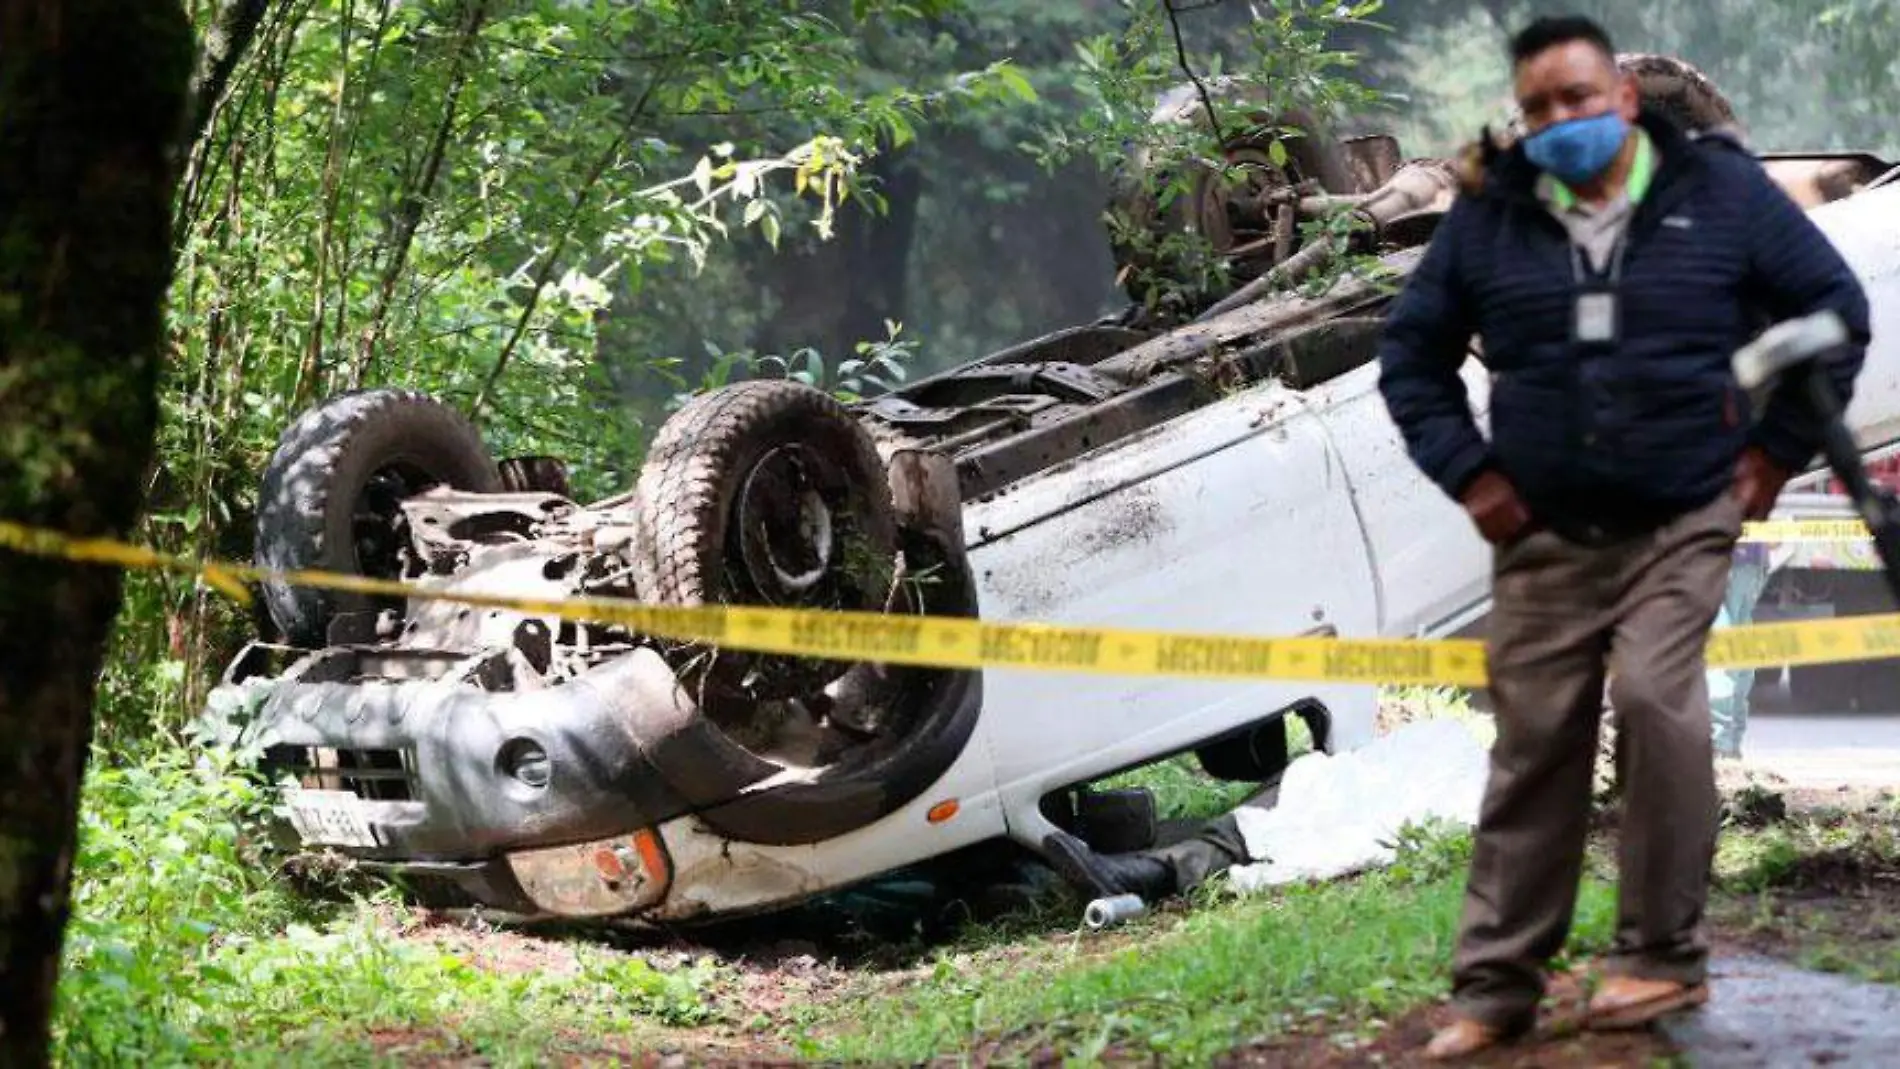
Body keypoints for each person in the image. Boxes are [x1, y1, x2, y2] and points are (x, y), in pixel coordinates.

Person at [1375, 15, 1869, 1061]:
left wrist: (1773, 455)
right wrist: (1469, 476)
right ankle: (1496, 986)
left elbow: (1833, 308)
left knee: (1655, 698)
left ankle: (1657, 954)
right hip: (1543, 535)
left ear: (1625, 100)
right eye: (1538, 108)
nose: (1560, 122)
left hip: (1682, 516)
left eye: (1579, 99)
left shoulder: (1720, 195)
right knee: (1533, 748)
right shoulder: (1488, 213)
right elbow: (1409, 356)